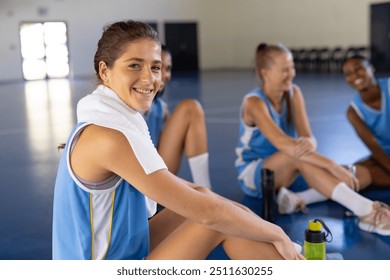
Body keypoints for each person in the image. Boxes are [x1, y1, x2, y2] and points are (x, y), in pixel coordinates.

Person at [52, 20, 304, 260]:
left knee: (212, 201)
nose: (149, 78)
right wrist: (277, 233)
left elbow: (201, 196)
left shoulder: (111, 122)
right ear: (105, 71)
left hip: (118, 250)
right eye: (134, 65)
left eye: (155, 67)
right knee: (218, 223)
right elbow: (209, 215)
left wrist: (251, 219)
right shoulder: (107, 138)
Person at [235, 43, 390, 236]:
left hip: (293, 166)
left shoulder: (294, 92)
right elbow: (285, 145)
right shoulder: (254, 102)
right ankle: (367, 211)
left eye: (291, 67)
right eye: (285, 69)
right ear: (265, 72)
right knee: (303, 158)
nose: (291, 73)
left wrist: (312, 144)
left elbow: (308, 138)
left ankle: (296, 199)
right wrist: (330, 165)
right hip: (257, 173)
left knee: (358, 173)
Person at [144, 45, 211, 188]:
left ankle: (205, 188)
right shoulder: (131, 105)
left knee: (191, 108)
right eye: (157, 67)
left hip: (155, 176)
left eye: (167, 69)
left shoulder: (160, 107)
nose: (165, 74)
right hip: (136, 183)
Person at [342, 55, 390, 190]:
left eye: (359, 69)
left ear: (371, 68)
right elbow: (374, 146)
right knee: (355, 171)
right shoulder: (353, 112)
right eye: (348, 74)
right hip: (386, 155)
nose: (355, 75)